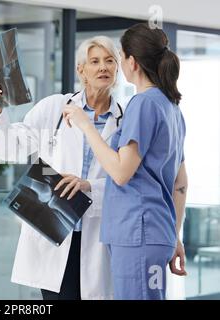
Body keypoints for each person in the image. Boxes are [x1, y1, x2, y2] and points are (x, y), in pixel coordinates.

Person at [0, 36, 123, 300]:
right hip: (56, 234)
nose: (103, 67)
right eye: (94, 61)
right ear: (81, 70)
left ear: (117, 70)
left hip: (99, 236)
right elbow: (7, 148)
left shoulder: (124, 119)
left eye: (109, 61)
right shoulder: (54, 108)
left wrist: (89, 187)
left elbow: (126, 179)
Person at [62, 23, 188, 300]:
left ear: (132, 62)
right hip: (153, 232)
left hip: (137, 233)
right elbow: (180, 184)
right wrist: (173, 235)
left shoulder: (143, 104)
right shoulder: (171, 108)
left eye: (116, 57)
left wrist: (86, 126)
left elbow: (121, 172)